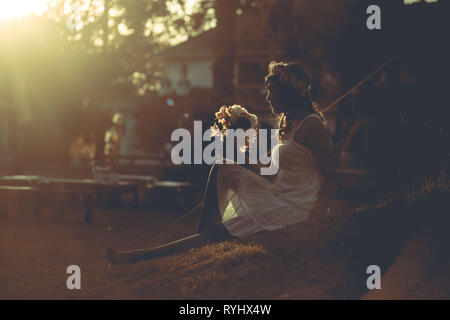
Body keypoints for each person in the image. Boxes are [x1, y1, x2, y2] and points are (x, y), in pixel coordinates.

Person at [106, 61, 337, 265]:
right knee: (223, 165)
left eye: (272, 90)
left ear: (288, 92)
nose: (267, 96)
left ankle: (139, 257)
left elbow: (331, 176)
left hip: (293, 209)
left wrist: (315, 220)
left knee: (216, 232)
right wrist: (240, 146)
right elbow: (268, 171)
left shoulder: (312, 125)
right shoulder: (290, 126)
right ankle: (200, 234)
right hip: (279, 196)